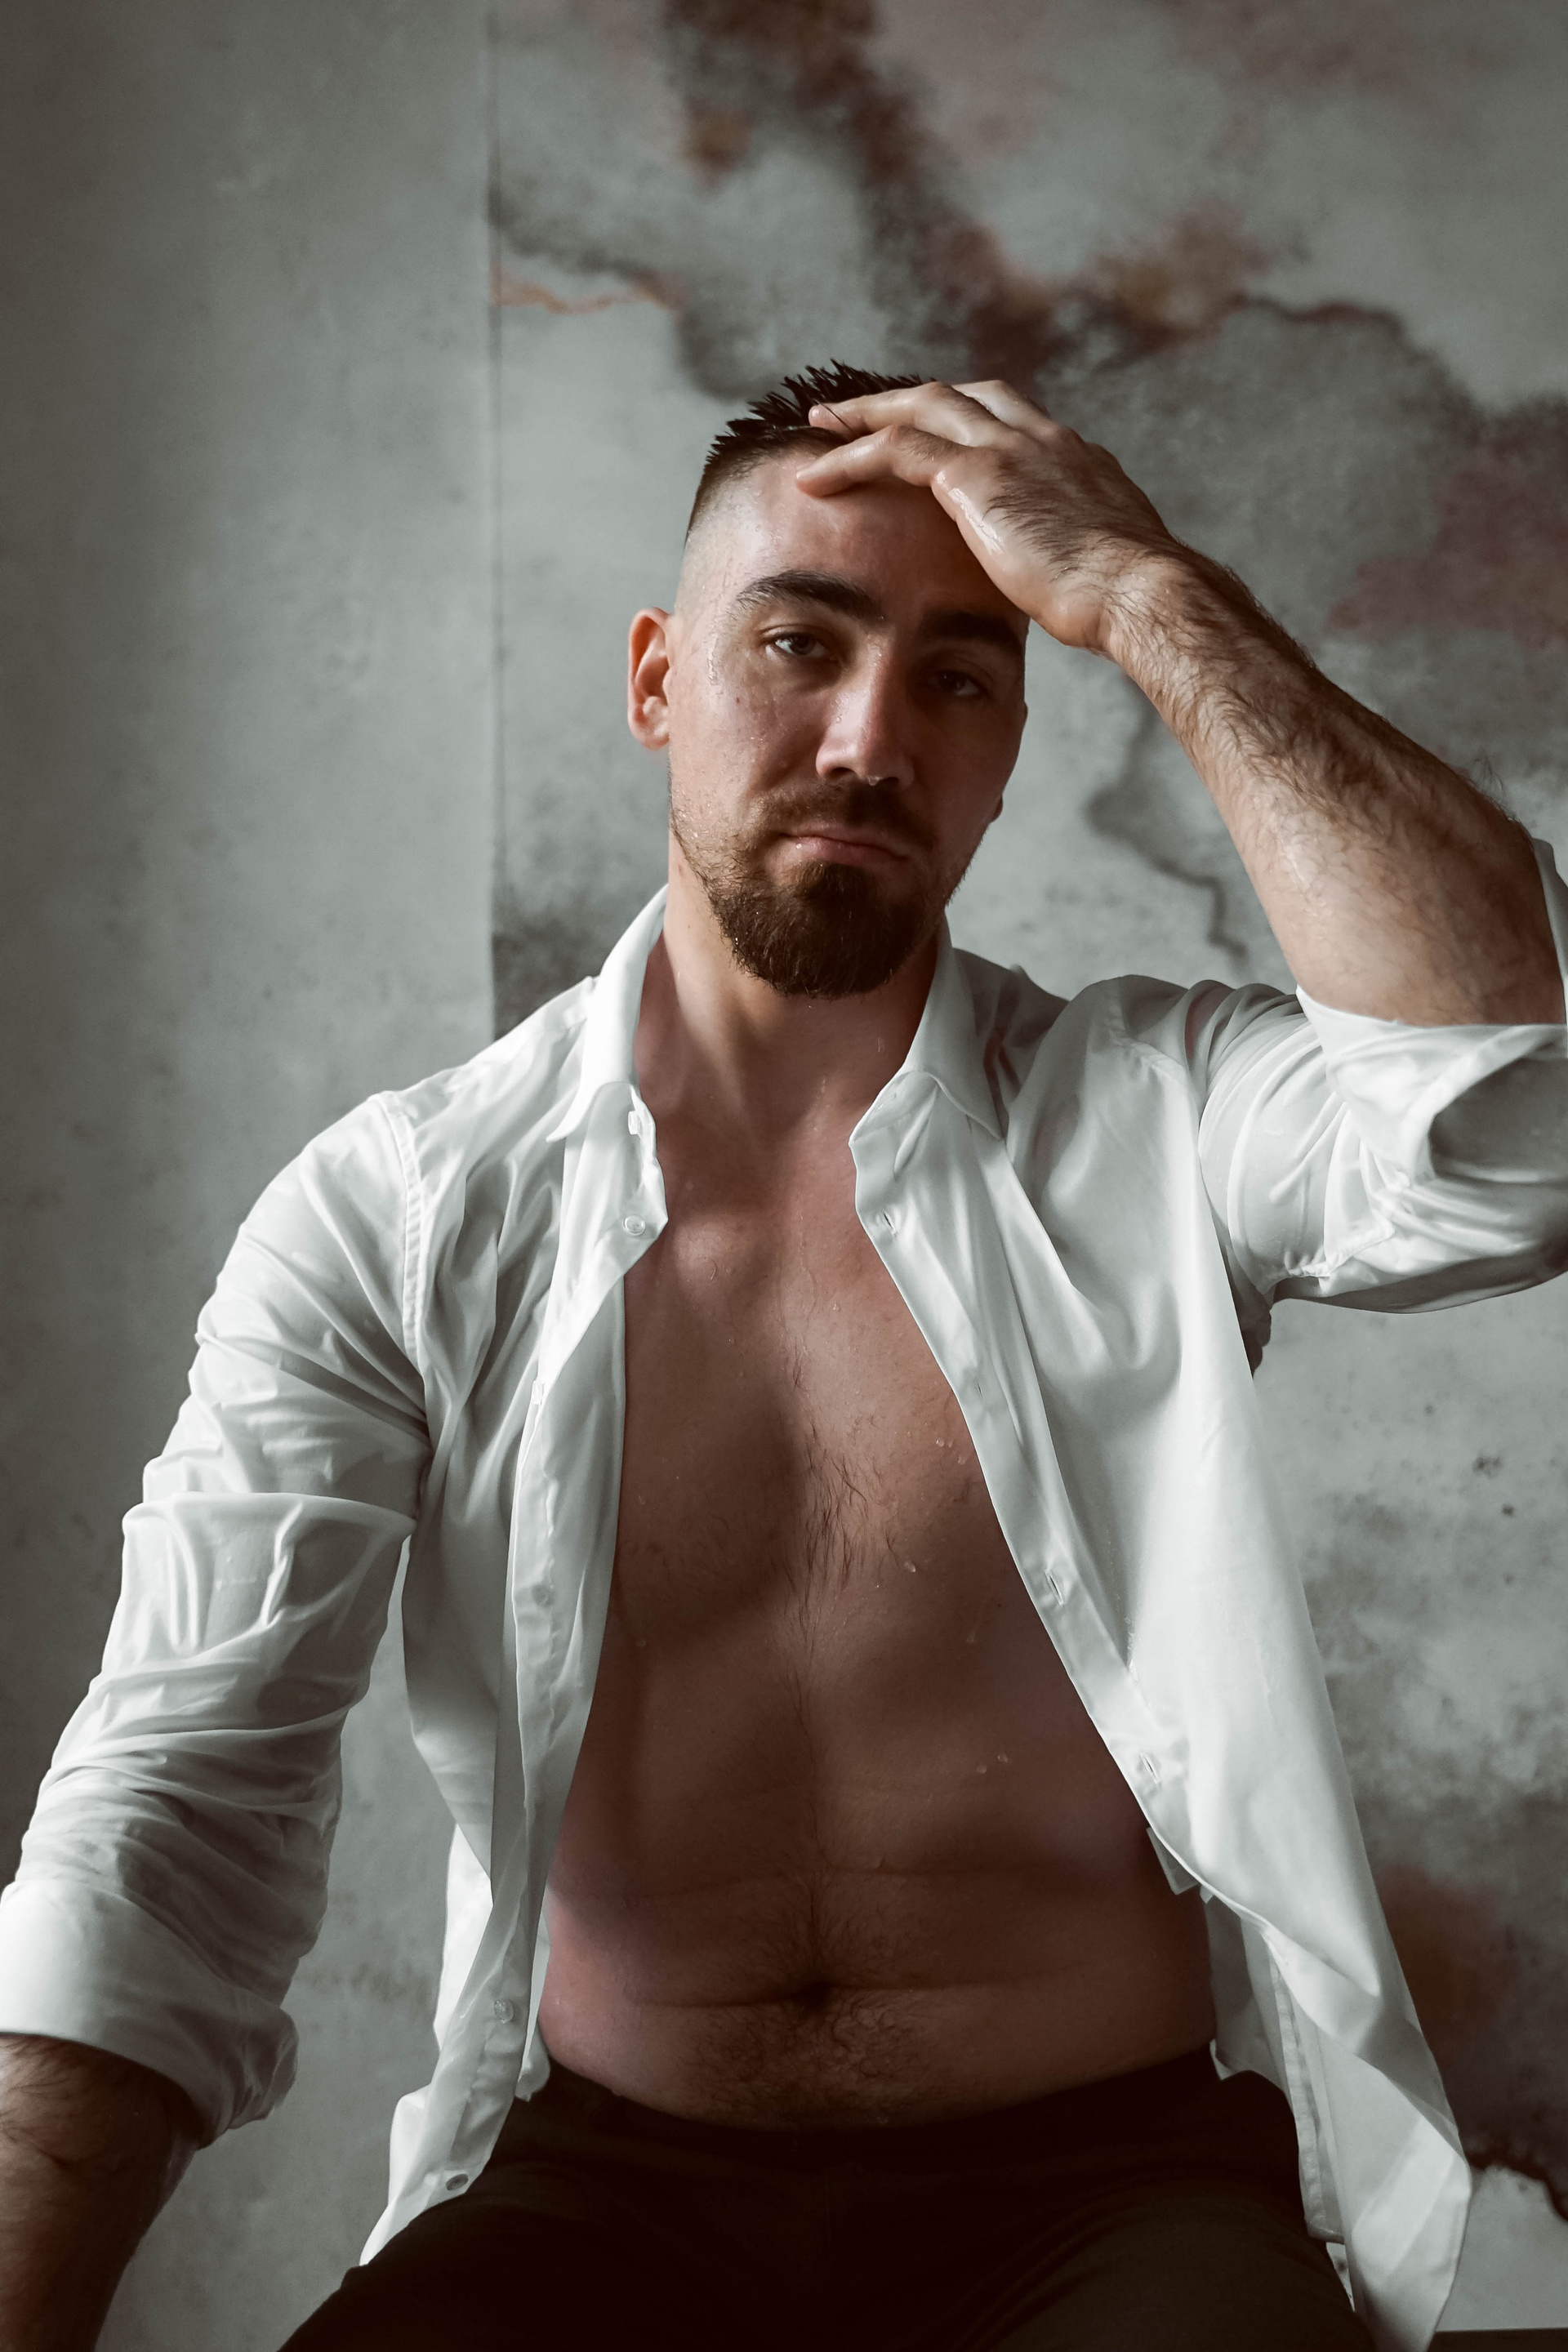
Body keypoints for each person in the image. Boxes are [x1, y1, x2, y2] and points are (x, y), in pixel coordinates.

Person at [1, 363, 1565, 2352]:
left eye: (960, 678)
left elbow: (1520, 1126)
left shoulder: (1155, 1115)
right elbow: (173, 1805)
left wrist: (1152, 599)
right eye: (798, 643)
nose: (869, 739)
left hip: (1112, 2194)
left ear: (1009, 752)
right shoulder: (402, 1212)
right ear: (657, 681)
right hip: (603, 2190)